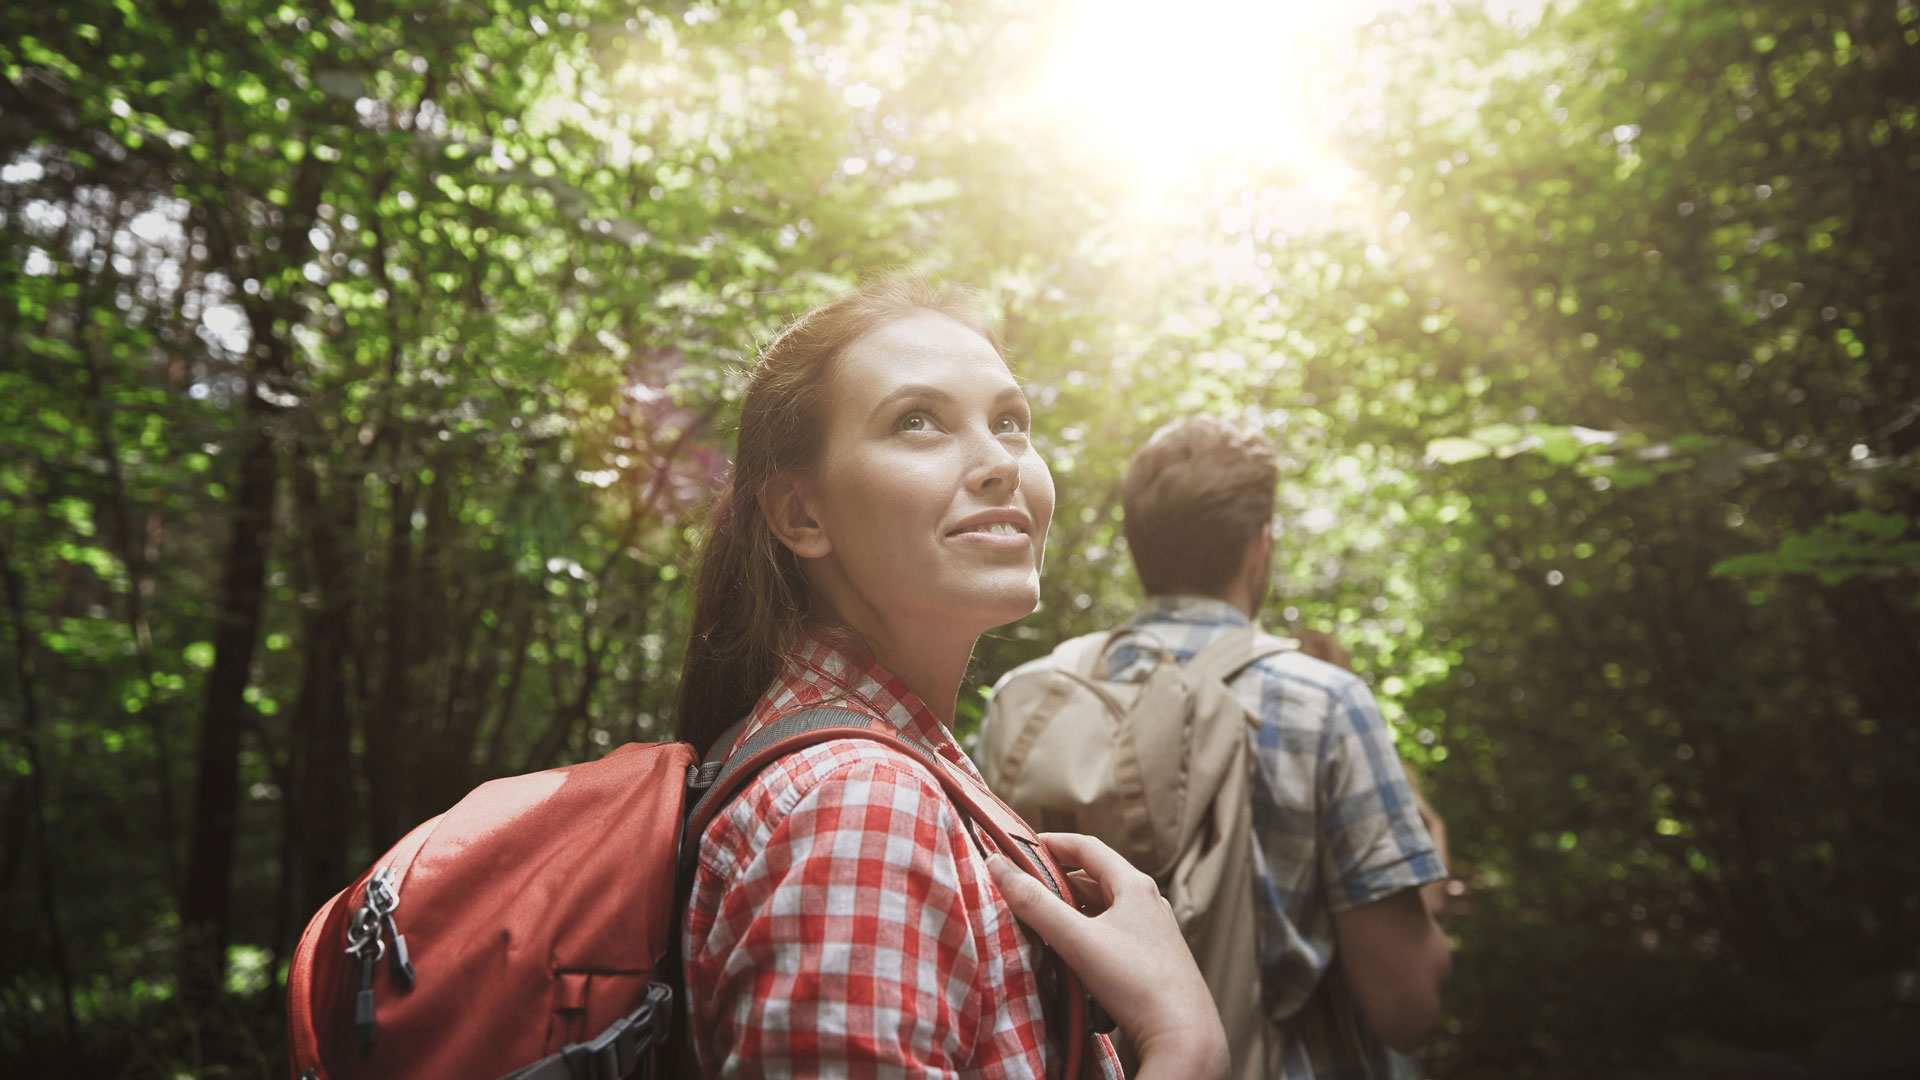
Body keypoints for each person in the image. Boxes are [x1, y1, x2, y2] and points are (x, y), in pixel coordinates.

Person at [673, 275, 1228, 1079]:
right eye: (918, 422)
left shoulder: (853, 769)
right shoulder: (858, 801)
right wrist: (1187, 1045)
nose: (1000, 461)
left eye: (1010, 422)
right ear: (802, 514)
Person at [1019, 414, 1453, 1079]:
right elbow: (1407, 1005)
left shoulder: (1031, 696)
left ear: (1139, 546)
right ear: (1259, 546)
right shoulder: (1324, 702)